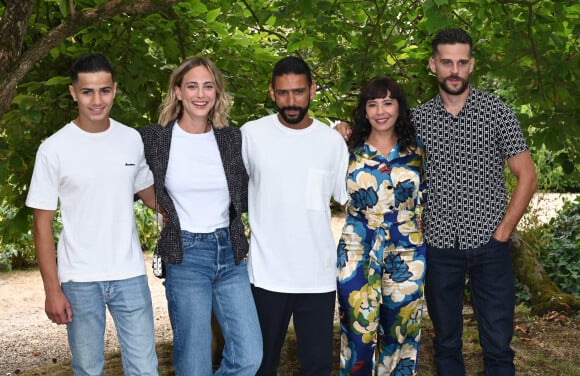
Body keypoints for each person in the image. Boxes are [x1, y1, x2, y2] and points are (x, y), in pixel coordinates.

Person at [336, 28, 538, 376]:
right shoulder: (416, 121)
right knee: (446, 344)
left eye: (461, 62)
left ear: (471, 65)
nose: (454, 70)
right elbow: (380, 147)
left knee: (499, 346)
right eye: (447, 62)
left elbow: (528, 176)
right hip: (440, 247)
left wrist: (503, 234)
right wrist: (342, 130)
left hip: (490, 245)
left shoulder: (497, 112)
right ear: (433, 65)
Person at [26, 53, 159, 375]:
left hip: (129, 274)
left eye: (104, 90)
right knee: (87, 368)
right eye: (87, 92)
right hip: (79, 280)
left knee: (144, 367)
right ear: (74, 92)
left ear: (114, 89)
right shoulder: (54, 148)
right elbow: (41, 225)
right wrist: (52, 290)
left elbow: (149, 193)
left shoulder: (131, 139)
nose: (96, 100)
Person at [139, 56, 262, 376]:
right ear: (177, 91)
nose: (200, 94)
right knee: (194, 364)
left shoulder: (231, 138)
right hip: (185, 255)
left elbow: (251, 185)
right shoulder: (155, 138)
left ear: (217, 92)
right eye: (192, 86)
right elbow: (134, 180)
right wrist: (168, 210)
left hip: (231, 252)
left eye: (208, 86)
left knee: (249, 355)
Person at [241, 56, 349, 376]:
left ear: (312, 91)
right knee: (261, 365)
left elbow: (353, 199)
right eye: (284, 93)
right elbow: (228, 192)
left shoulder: (331, 141)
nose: (291, 101)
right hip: (264, 275)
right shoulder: (251, 134)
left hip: (317, 276)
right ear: (271, 92)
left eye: (299, 92)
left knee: (316, 366)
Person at [337, 77, 427, 375]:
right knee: (357, 334)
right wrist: (335, 131)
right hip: (356, 250)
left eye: (388, 103)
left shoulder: (418, 153)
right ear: (364, 111)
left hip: (407, 252)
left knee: (401, 332)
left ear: (399, 107)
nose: (380, 111)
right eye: (372, 104)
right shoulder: (346, 149)